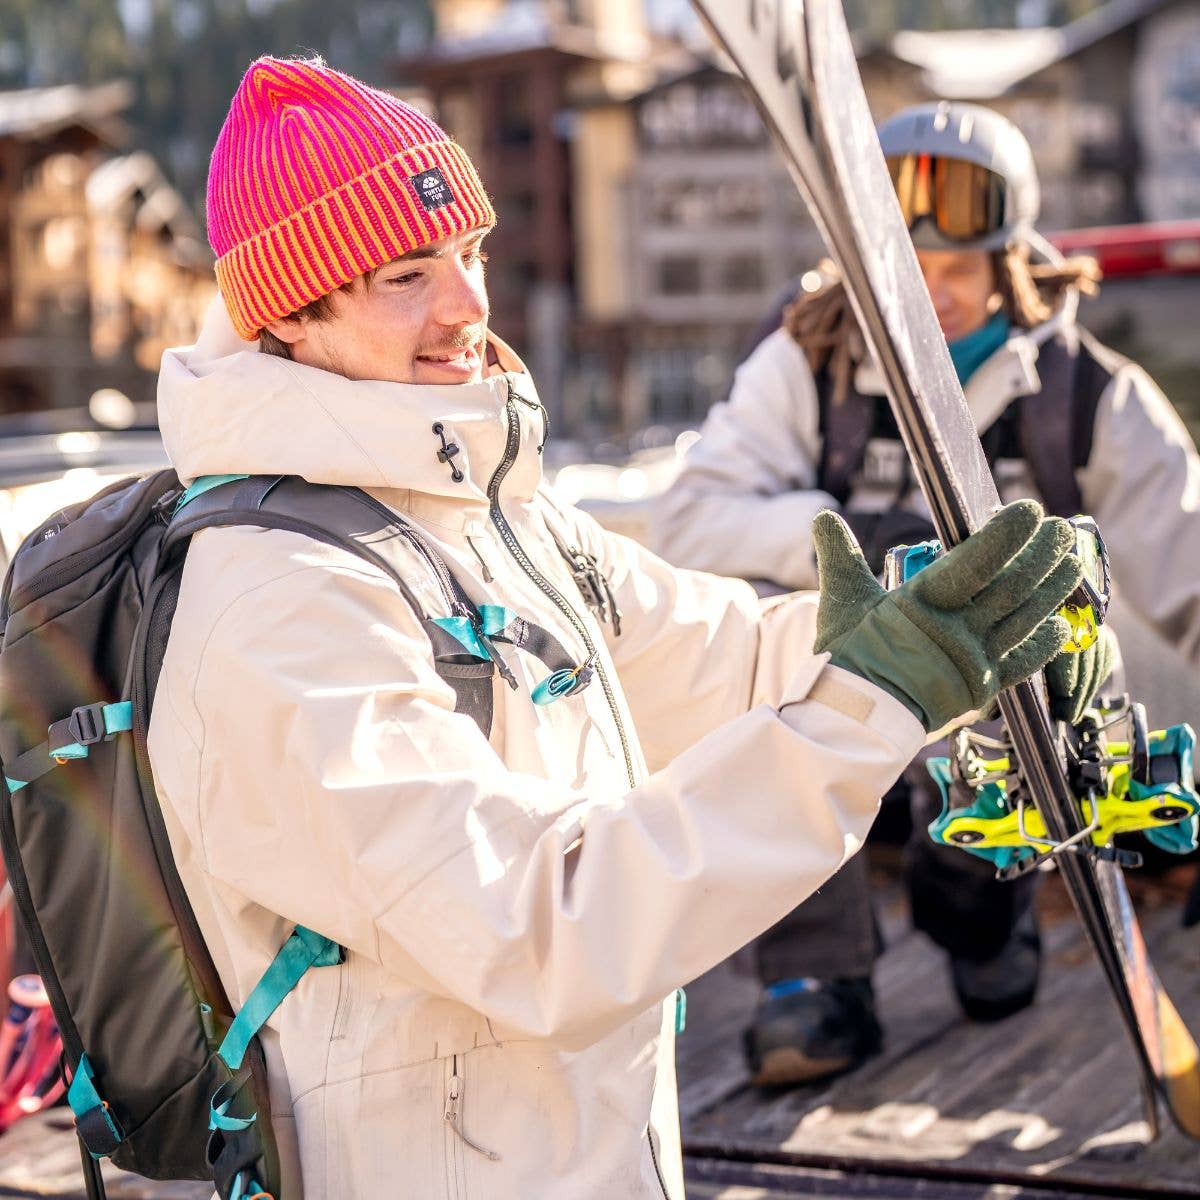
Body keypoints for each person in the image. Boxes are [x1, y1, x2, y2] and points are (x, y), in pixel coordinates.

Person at [147, 63, 1081, 1199]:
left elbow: (711, 660)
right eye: (406, 275)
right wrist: (875, 700)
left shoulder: (484, 512)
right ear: (289, 311)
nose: (468, 307)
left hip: (582, 1151)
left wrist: (924, 644)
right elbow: (539, 927)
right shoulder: (278, 606)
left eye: (471, 255)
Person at [650, 100, 1200, 1088]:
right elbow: (691, 516)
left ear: (1010, 261)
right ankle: (811, 985)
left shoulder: (1086, 396)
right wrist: (855, 543)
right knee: (761, 689)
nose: (933, 297)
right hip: (839, 680)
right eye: (908, 271)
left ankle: (982, 915)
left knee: (998, 969)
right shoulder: (808, 357)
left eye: (959, 269)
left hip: (999, 717)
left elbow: (1195, 579)